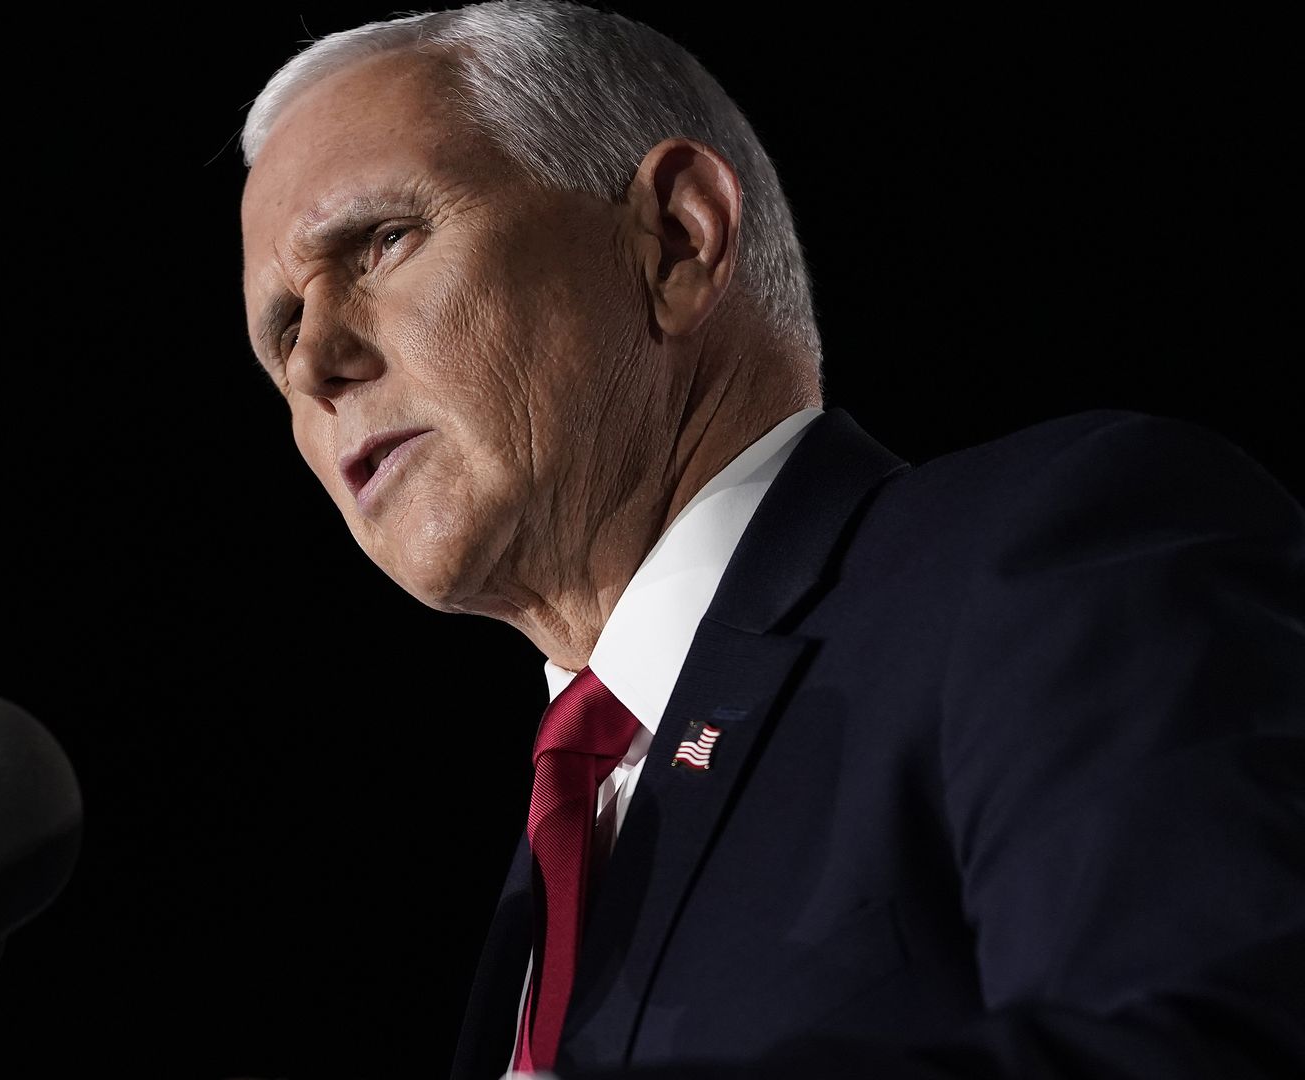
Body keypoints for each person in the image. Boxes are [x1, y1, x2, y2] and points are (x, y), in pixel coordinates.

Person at [237, 2, 1304, 1078]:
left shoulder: (1051, 550)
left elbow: (1207, 1039)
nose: (316, 361)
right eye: (279, 329)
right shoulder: (552, 861)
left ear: (676, 239)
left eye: (383, 242)